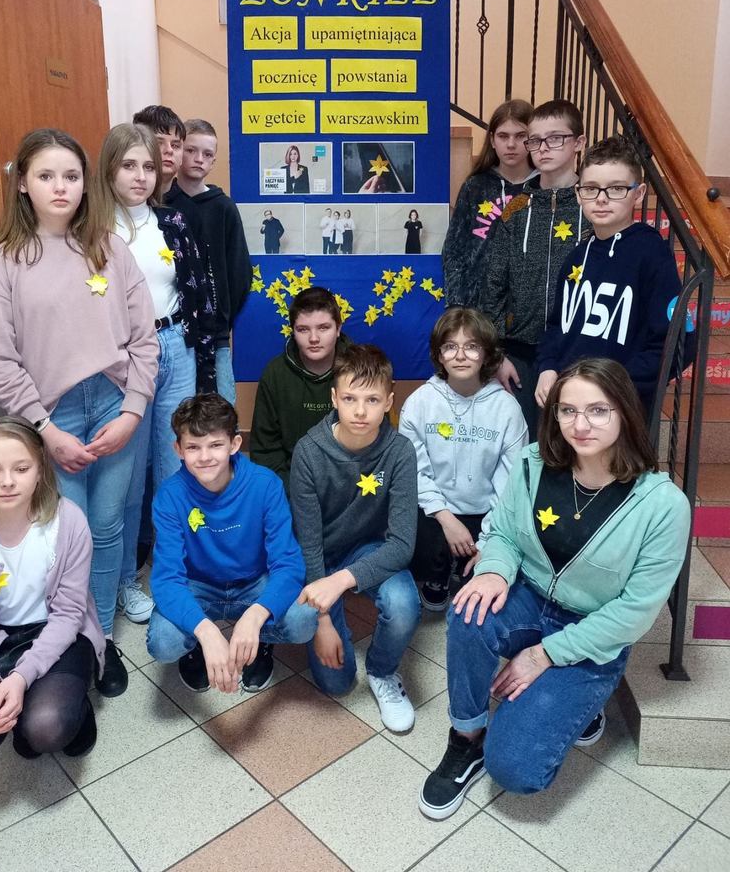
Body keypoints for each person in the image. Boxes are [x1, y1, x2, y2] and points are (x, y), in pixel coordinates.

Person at [418, 358, 690, 820]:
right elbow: (502, 533)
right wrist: (494, 571)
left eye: (598, 410)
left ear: (625, 411)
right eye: (568, 411)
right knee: (468, 609)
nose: (580, 425)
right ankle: (467, 738)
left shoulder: (663, 505)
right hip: (531, 597)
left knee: (516, 770)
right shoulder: (534, 463)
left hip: (593, 627)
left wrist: (544, 655)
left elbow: (634, 613)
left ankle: (580, 701)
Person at [0, 128, 158, 698]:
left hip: (114, 404)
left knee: (108, 527)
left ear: (86, 183)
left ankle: (102, 641)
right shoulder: (2, 263)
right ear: (23, 185)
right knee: (68, 534)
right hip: (52, 417)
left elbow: (145, 339)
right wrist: (45, 430)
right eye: (47, 176)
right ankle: (77, 640)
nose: (61, 187)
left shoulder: (110, 249)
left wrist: (132, 412)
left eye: (72, 176)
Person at [93, 122, 216, 625]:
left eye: (147, 166)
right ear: (109, 170)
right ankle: (124, 580)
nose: (141, 176)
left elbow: (199, 290)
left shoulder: (174, 222)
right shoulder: (90, 230)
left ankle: (173, 575)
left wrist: (203, 357)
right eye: (129, 166)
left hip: (175, 346)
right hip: (121, 359)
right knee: (127, 481)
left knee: (175, 469)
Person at [0, 417, 106, 772]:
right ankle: (26, 710)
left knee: (46, 726)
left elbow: (68, 615)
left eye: (21, 468)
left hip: (58, 632)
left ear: (40, 470)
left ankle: (72, 705)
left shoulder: (69, 522)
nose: (7, 481)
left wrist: (20, 677)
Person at [146, 394, 318, 693]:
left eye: (215, 445)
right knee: (162, 642)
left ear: (235, 444)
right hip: (199, 586)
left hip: (254, 582)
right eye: (193, 447)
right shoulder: (170, 496)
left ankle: (258, 641)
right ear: (178, 450)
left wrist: (256, 615)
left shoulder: (265, 485)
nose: (205, 457)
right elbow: (166, 579)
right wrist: (206, 632)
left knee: (303, 619)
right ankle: (197, 647)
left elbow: (288, 564)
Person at [290, 344, 421, 732]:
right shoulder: (309, 452)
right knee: (337, 682)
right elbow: (308, 543)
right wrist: (323, 620)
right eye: (350, 399)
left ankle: (382, 670)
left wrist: (341, 582)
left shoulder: (400, 452)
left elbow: (402, 545)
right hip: (321, 554)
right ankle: (335, 623)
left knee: (404, 603)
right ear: (334, 398)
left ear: (389, 402)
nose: (360, 411)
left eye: (372, 400)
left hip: (368, 548)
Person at [535, 135, 684, 417]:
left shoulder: (651, 255)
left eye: (616, 188)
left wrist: (617, 384)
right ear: (578, 194)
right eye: (591, 188)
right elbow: (556, 326)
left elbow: (678, 342)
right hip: (568, 403)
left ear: (638, 194)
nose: (601, 199)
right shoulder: (576, 256)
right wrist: (548, 366)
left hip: (619, 408)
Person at [398, 308, 528, 611]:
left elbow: (510, 484)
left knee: (499, 555)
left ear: (486, 354)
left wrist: (487, 541)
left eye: (471, 347)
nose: (460, 356)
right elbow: (414, 472)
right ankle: (439, 572)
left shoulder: (507, 409)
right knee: (415, 534)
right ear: (438, 354)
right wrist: (445, 519)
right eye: (450, 346)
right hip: (435, 510)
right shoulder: (420, 402)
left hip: (484, 510)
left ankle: (466, 560)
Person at [479, 99, 586, 439]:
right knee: (524, 447)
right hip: (520, 354)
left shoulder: (592, 208)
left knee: (571, 445)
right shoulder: (515, 210)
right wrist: (497, 354)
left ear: (578, 143)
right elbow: (493, 285)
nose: (543, 148)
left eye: (555, 138)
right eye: (535, 140)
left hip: (578, 353)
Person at [163, 119, 252, 405]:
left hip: (215, 334)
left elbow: (240, 273)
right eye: (191, 150)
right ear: (179, 152)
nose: (198, 159)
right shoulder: (161, 205)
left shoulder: (224, 208)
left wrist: (220, 316)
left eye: (207, 154)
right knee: (177, 411)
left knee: (220, 411)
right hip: (174, 331)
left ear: (214, 161)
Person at [251, 287, 347, 492]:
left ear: (338, 329)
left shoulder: (361, 370)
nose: (314, 338)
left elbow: (377, 443)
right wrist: (293, 492)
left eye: (323, 328)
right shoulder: (275, 374)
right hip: (291, 485)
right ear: (293, 332)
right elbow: (264, 452)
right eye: (303, 329)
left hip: (351, 485)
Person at [442, 99, 535, 308]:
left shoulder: (543, 188)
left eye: (521, 136)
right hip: (479, 307)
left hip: (528, 309)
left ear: (533, 140)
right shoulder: (475, 187)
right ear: (492, 140)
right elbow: (454, 250)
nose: (511, 144)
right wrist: (456, 305)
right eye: (503, 136)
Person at [132, 105, 185, 191]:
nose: (169, 150)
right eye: (158, 143)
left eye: (175, 145)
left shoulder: (190, 200)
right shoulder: (122, 197)